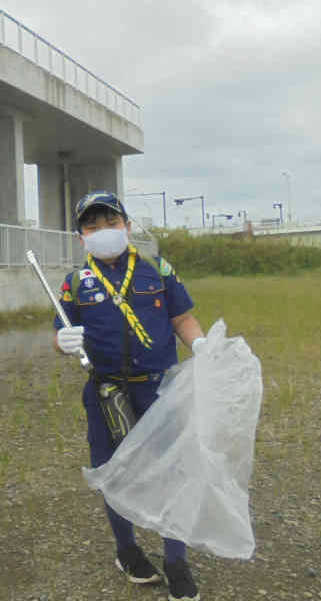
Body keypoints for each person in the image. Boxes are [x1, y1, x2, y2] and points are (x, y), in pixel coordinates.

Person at [53, 191, 204, 601]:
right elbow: (60, 333)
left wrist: (205, 347)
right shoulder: (74, 283)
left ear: (127, 226)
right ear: (80, 235)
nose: (103, 232)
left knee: (171, 469)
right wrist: (62, 341)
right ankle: (127, 550)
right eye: (92, 226)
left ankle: (176, 559)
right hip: (105, 391)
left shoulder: (157, 270)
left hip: (157, 388)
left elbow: (183, 318)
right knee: (113, 471)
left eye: (110, 223)